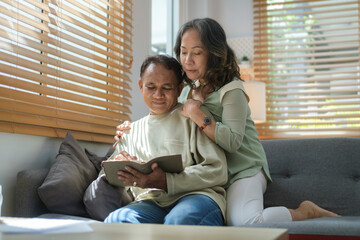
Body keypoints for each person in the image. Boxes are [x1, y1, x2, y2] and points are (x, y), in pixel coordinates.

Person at [173, 17, 339, 225]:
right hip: (210, 173)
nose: (188, 59)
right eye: (183, 51)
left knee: (245, 223)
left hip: (243, 169)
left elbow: (233, 142)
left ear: (213, 54)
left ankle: (305, 212)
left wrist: (198, 114)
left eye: (196, 52)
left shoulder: (232, 89)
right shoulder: (186, 91)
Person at [105, 54, 228, 226]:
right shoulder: (129, 131)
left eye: (166, 88)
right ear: (141, 86)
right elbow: (106, 176)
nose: (158, 94)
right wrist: (121, 165)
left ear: (179, 89)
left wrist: (168, 181)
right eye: (151, 86)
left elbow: (217, 170)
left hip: (196, 197)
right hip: (150, 202)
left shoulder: (193, 118)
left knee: (179, 221)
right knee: (116, 220)